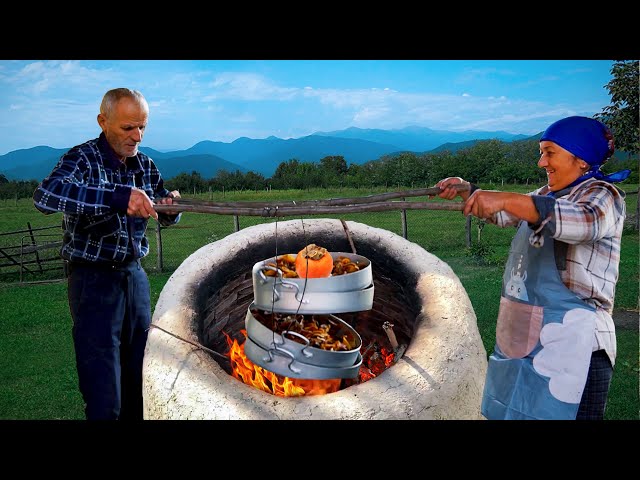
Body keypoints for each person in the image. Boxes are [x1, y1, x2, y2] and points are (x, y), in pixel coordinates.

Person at [435, 116, 630, 420]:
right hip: (529, 339)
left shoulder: (603, 195)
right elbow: (505, 214)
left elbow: (581, 222)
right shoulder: (544, 195)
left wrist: (508, 199)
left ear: (581, 159)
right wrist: (468, 190)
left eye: (550, 152)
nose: (542, 162)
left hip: (578, 348)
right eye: (541, 152)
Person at [32, 88, 182, 420]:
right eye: (128, 128)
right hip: (92, 280)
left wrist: (171, 208)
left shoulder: (144, 163)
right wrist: (116, 197)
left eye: (142, 127)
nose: (137, 136)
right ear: (103, 121)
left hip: (134, 277)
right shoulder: (82, 158)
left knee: (139, 381)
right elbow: (46, 195)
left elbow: (159, 206)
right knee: (104, 393)